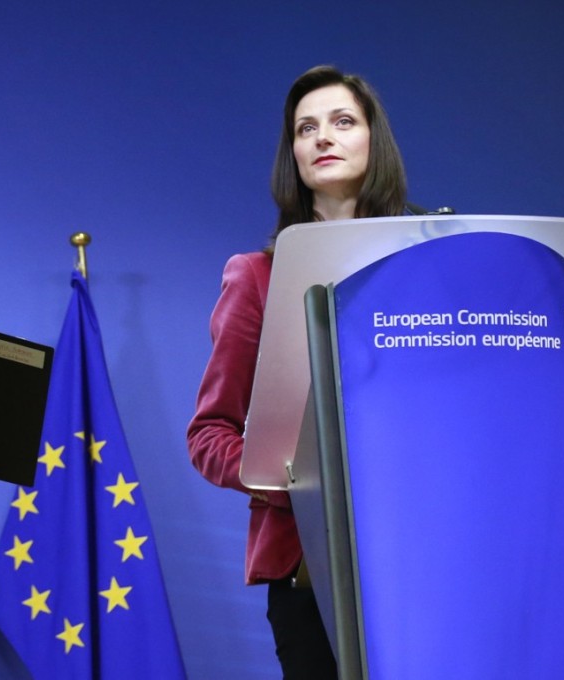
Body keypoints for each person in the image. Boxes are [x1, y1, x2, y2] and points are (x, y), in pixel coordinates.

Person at [186, 65, 411, 680]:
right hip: (308, 570)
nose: (322, 137)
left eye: (342, 121)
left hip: (423, 560)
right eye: (305, 128)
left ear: (374, 140)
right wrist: (293, 481)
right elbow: (209, 437)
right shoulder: (256, 276)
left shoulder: (426, 268)